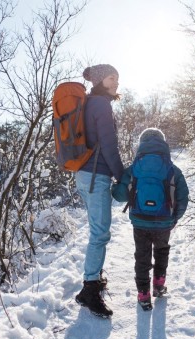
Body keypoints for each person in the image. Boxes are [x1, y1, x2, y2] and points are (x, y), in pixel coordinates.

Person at [112, 128, 189, 311]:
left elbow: (120, 196)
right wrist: (174, 218)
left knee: (142, 256)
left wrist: (116, 185)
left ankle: (143, 295)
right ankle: (159, 286)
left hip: (140, 221)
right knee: (162, 251)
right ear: (163, 143)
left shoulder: (134, 168)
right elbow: (183, 197)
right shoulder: (172, 169)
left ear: (141, 144)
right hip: (164, 222)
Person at [74, 64, 124, 319]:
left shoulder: (90, 103)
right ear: (99, 79)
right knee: (100, 234)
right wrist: (122, 175)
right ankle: (89, 290)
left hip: (84, 175)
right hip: (96, 175)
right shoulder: (101, 105)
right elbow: (109, 145)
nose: (116, 82)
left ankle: (92, 281)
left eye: (117, 77)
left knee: (97, 231)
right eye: (111, 77)